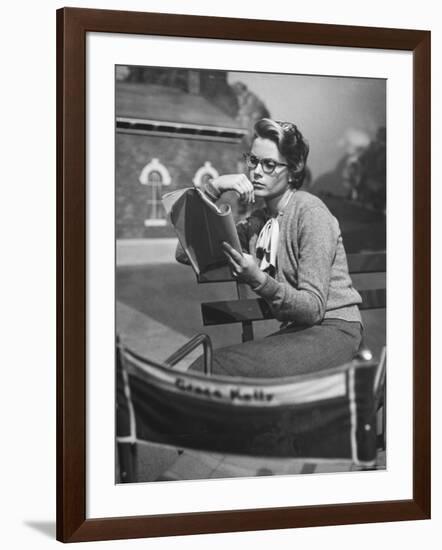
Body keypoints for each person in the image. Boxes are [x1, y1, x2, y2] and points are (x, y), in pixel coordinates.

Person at [177, 118, 363, 378]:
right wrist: (213, 187)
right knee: (208, 366)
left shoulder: (310, 212)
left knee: (211, 367)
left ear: (294, 168)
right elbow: (185, 253)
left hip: (335, 331)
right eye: (253, 161)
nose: (256, 172)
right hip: (299, 333)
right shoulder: (257, 224)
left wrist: (257, 279)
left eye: (269, 164)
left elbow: (313, 308)